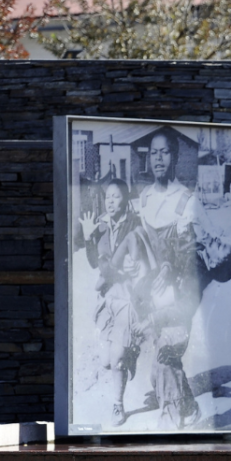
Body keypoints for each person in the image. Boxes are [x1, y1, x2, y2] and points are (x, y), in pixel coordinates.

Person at [130, 128, 208, 429]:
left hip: (179, 294)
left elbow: (189, 262)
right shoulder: (145, 198)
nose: (158, 158)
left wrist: (168, 271)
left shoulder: (186, 201)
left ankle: (176, 418)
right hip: (152, 293)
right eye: (154, 153)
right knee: (161, 356)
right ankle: (182, 403)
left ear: (173, 157)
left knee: (166, 354)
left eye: (164, 152)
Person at [76, 179, 143, 426]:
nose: (111, 201)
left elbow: (142, 258)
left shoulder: (135, 224)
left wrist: (135, 266)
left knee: (116, 359)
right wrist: (88, 238)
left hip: (127, 297)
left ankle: (118, 405)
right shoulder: (101, 226)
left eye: (116, 197)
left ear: (125, 198)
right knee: (106, 360)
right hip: (106, 296)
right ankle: (128, 354)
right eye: (108, 197)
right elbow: (95, 263)